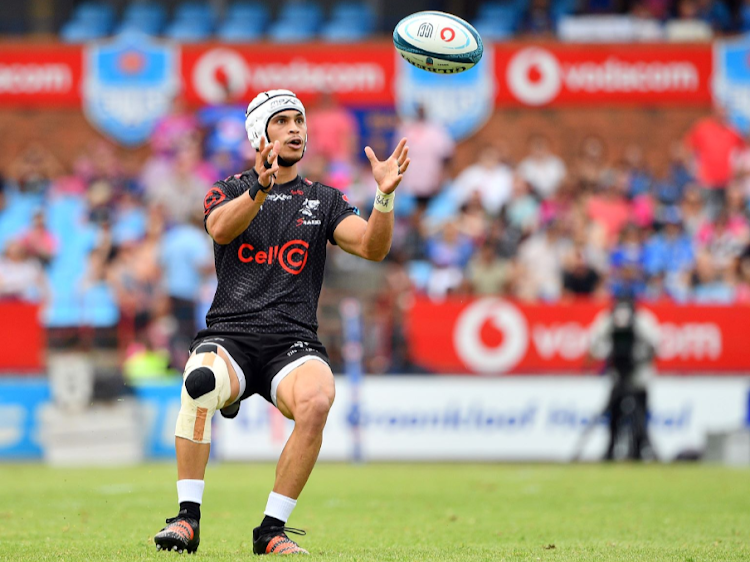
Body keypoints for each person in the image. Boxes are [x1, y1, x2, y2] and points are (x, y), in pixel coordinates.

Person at [153, 89, 410, 555]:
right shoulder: (228, 189)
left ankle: (271, 529)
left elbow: (373, 248)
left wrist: (384, 197)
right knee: (200, 381)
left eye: (300, 121)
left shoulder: (324, 200)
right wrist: (260, 188)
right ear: (258, 134)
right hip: (230, 335)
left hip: (292, 342)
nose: (296, 129)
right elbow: (220, 229)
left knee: (318, 399)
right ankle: (186, 519)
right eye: (283, 121)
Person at [588, 296, 660, 461]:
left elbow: (655, 344)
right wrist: (608, 354)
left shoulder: (642, 321)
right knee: (614, 416)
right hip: (618, 375)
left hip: (639, 375)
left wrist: (639, 358)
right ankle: (611, 449)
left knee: (639, 416)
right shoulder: (608, 320)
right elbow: (595, 344)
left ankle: (638, 449)